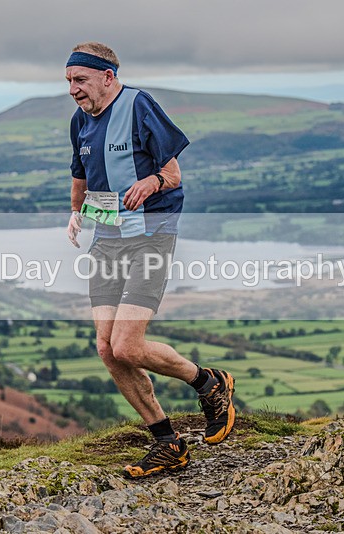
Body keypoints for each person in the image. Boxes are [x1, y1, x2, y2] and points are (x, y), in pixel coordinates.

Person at [65, 41, 236, 478]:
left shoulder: (140, 105)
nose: (73, 90)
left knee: (127, 344)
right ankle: (168, 443)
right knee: (107, 349)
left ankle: (207, 382)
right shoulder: (80, 121)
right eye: (68, 81)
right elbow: (79, 175)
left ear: (107, 76)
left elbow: (174, 173)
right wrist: (74, 214)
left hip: (151, 237)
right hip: (106, 240)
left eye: (79, 80)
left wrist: (152, 182)